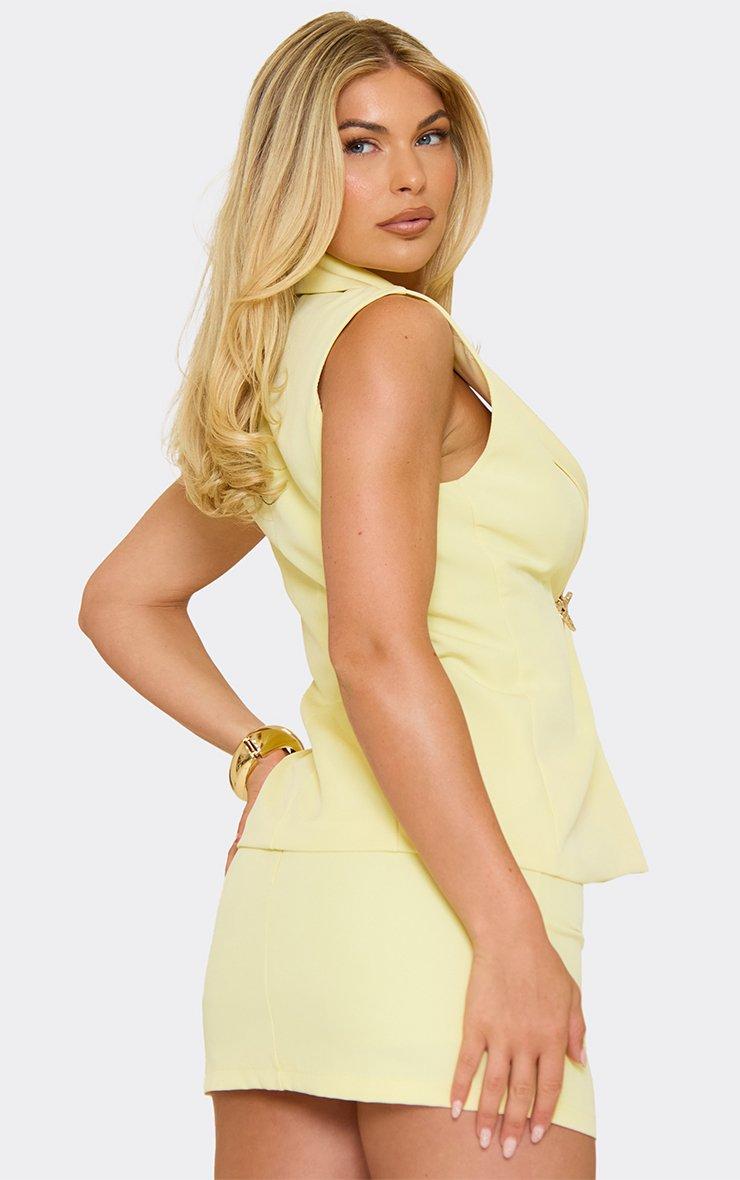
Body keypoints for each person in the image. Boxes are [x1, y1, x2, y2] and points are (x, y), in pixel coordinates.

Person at [79, 13, 649, 1178]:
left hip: (299, 901)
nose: (408, 175)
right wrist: (508, 931)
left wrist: (261, 756)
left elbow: (120, 599)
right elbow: (377, 650)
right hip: (453, 902)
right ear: (294, 170)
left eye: (430, 135)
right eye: (358, 144)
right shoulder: (394, 337)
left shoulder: (289, 360)